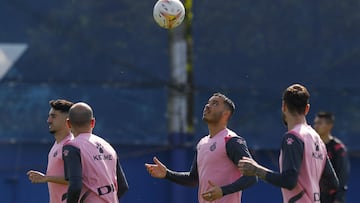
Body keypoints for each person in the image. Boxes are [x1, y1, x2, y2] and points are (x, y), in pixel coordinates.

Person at [145, 93, 257, 203]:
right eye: (208, 103)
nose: (207, 106)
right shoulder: (202, 143)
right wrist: (167, 174)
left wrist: (223, 191)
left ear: (226, 114)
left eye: (215, 104)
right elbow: (193, 179)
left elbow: (252, 177)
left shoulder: (231, 140)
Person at [238, 83, 339, 203]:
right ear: (307, 109)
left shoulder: (293, 137)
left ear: (284, 106)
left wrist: (256, 170)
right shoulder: (317, 138)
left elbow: (289, 181)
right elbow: (333, 183)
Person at [62, 102, 129, 203]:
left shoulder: (72, 147)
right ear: (92, 122)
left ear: (68, 124)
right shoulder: (108, 146)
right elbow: (123, 186)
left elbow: (75, 186)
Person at [27, 99, 74, 203]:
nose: (48, 120)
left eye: (53, 116)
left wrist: (45, 178)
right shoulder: (57, 144)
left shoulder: (70, 145)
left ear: (67, 120)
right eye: (49, 116)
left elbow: (75, 179)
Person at [314, 111, 350, 203]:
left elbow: (342, 176)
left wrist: (339, 199)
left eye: (319, 123)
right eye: (315, 123)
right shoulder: (312, 146)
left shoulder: (338, 148)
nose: (316, 126)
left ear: (329, 126)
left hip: (331, 198)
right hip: (313, 196)